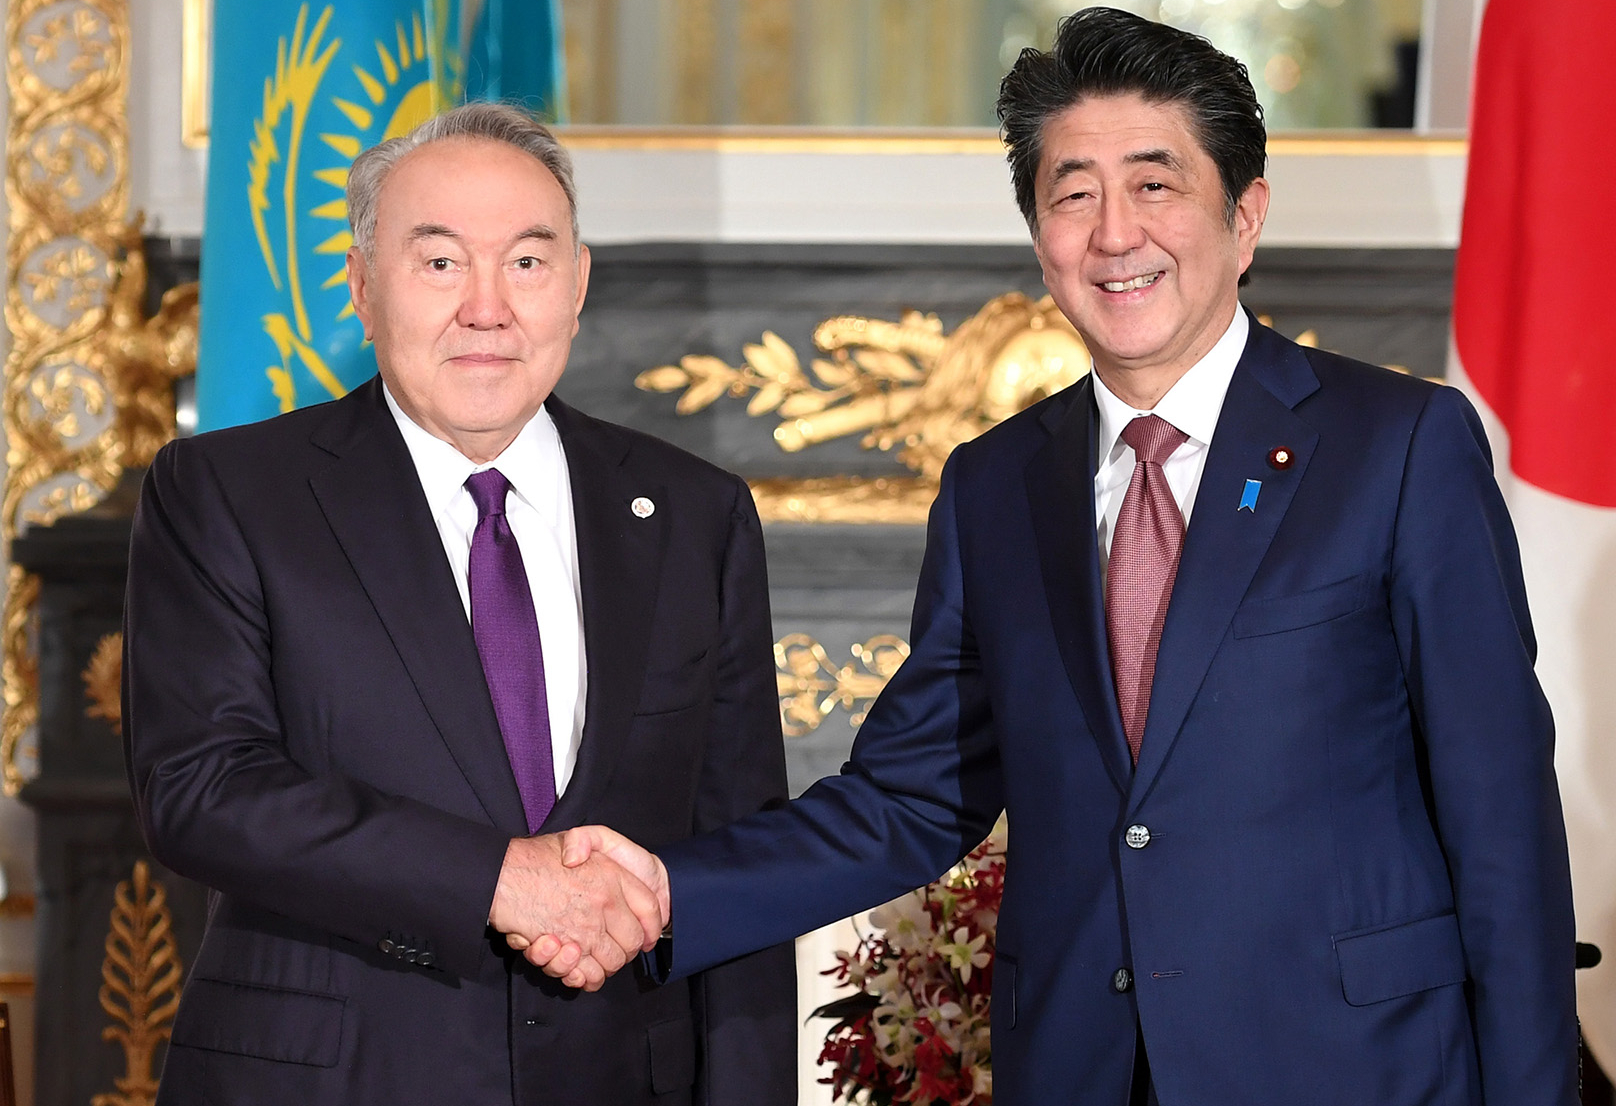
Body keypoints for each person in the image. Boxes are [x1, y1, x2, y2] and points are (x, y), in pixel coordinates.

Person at [522, 9, 1578, 1106]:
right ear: (1039, 236)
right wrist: (665, 892)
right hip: (1083, 1068)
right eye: (1073, 194)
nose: (1114, 234)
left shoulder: (1396, 445)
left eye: (1155, 184)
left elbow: (1498, 811)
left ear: (1245, 215)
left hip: (1355, 1069)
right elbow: (912, 795)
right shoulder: (995, 484)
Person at [122, 101, 796, 1106]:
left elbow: (741, 855)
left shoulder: (694, 513)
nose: (487, 307)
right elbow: (202, 789)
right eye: (440, 263)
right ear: (362, 287)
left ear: (577, 285)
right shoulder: (228, 492)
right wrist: (497, 879)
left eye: (526, 262)